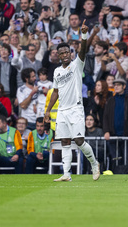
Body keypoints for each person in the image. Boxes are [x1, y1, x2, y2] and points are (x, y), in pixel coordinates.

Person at [44, 21, 100, 182]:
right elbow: (55, 92)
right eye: (62, 53)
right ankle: (67, 174)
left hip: (75, 108)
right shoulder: (57, 71)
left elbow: (83, 50)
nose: (66, 54)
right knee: (65, 142)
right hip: (62, 110)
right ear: (59, 55)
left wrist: (84, 35)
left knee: (79, 140)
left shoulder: (77, 65)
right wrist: (48, 110)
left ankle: (94, 164)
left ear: (70, 53)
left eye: (68, 52)